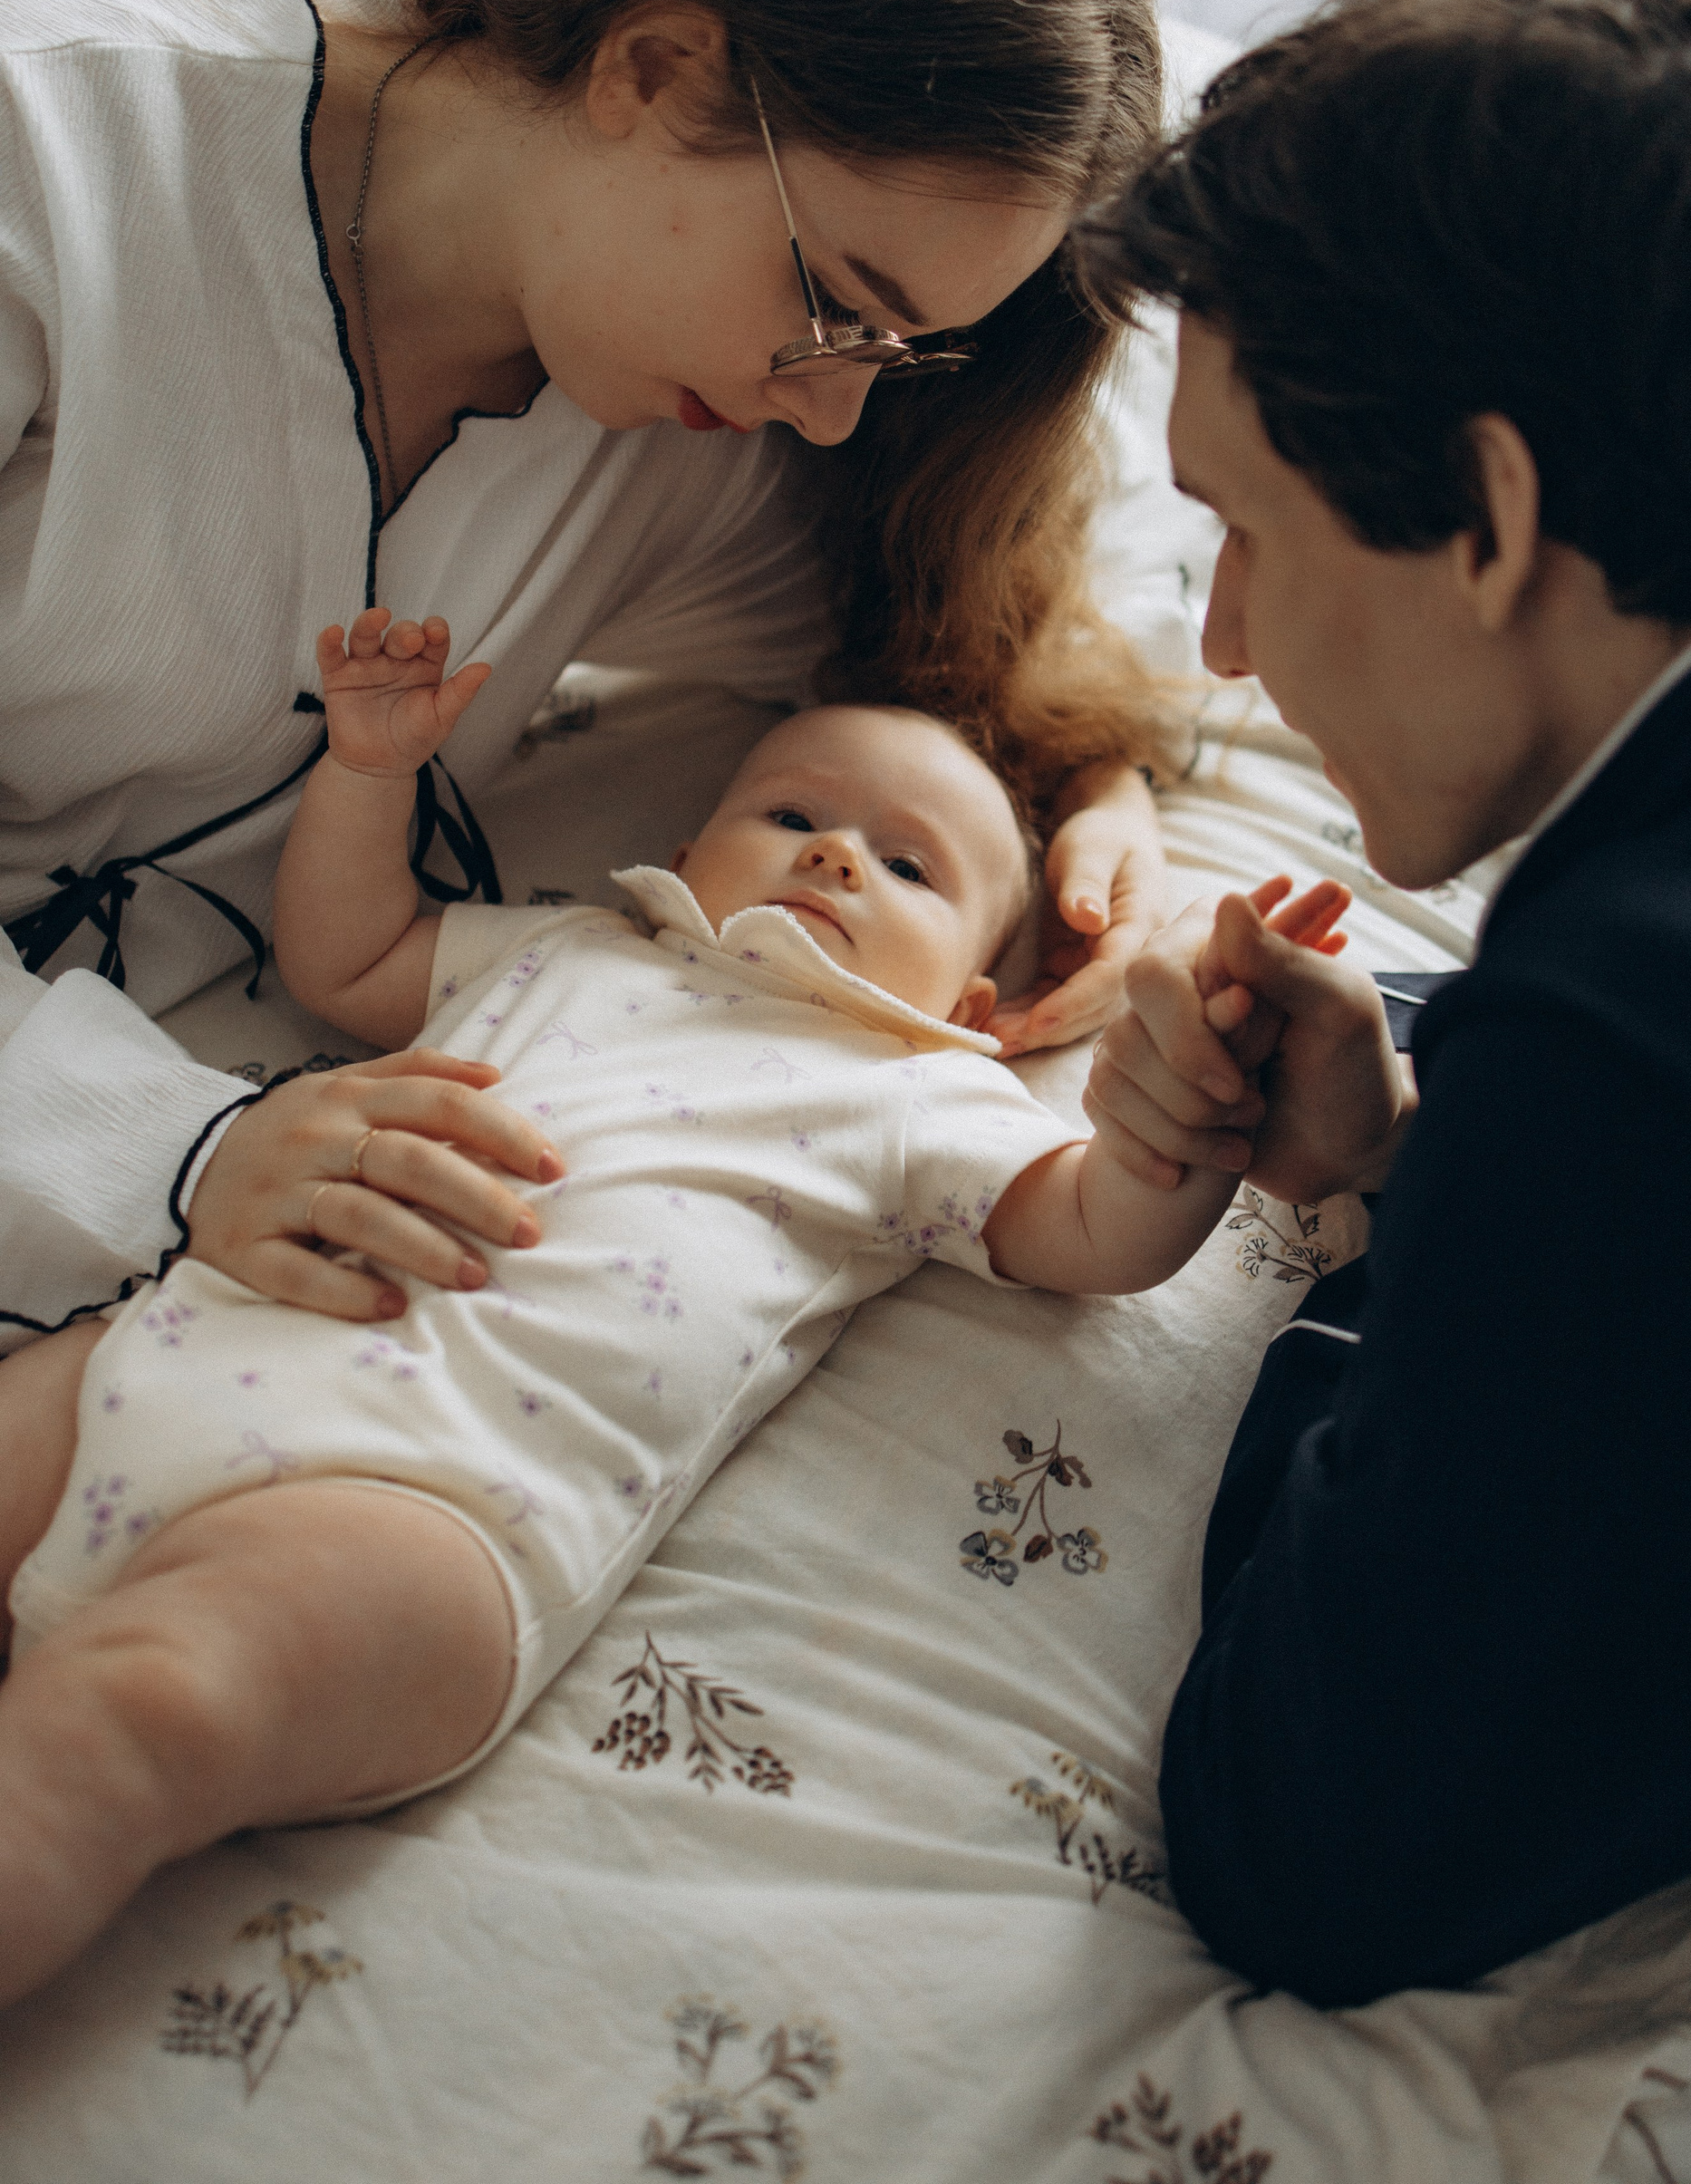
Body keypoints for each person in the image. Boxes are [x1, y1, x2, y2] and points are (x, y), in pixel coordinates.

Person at [0, 0, 1177, 1346]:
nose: (834, 407)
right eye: (838, 306)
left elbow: (950, 602)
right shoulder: (46, 161)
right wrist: (169, 1150)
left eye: (897, 353)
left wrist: (1092, 780)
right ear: (654, 64)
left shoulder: (676, 424)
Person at [0, 606, 1350, 2011]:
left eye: (908, 867)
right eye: (793, 815)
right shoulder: (570, 949)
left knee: (136, 1714)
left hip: (428, 1505)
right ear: (693, 848)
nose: (837, 855)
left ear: (974, 999)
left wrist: (1182, 1118)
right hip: (195, 1338)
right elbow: (344, 957)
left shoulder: (917, 1086)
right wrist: (369, 772)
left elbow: (1090, 1231)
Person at [1078, 0, 1691, 2007]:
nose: (1220, 644)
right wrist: (1410, 1118)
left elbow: (1305, 1848)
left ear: (1483, 508)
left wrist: (1418, 1224)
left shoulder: (1619, 1037)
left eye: (1246, 530)